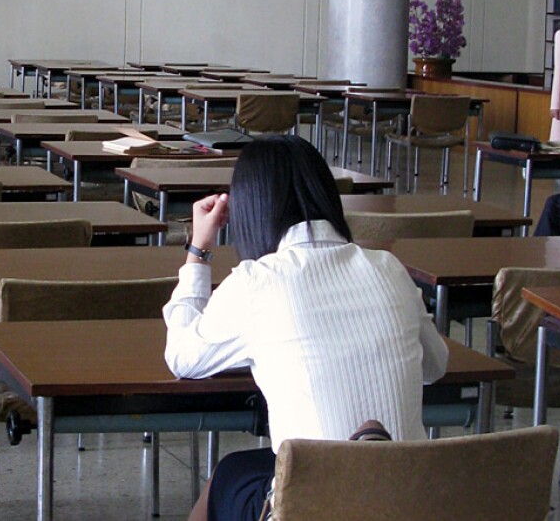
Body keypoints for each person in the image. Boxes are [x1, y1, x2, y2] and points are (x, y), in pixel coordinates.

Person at [162, 136, 449, 521]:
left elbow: (181, 357)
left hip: (315, 507)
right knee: (244, 469)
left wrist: (199, 249)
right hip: (407, 502)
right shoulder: (388, 267)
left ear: (250, 209)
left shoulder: (258, 281)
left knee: (230, 475)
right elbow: (435, 367)